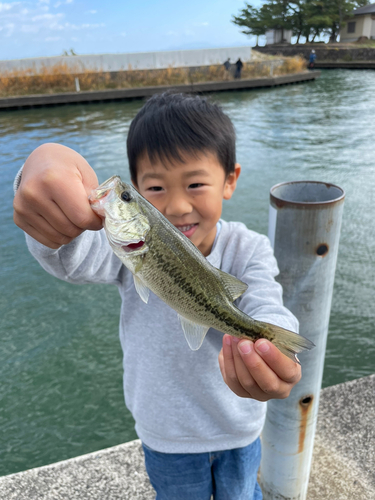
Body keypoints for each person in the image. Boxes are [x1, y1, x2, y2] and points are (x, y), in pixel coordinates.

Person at [13, 92, 301, 500]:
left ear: (230, 180)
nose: (178, 205)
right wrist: (42, 168)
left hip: (240, 428)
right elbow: (68, 257)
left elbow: (267, 302)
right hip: (166, 437)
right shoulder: (124, 253)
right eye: (154, 188)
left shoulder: (247, 248)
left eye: (196, 183)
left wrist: (278, 345)